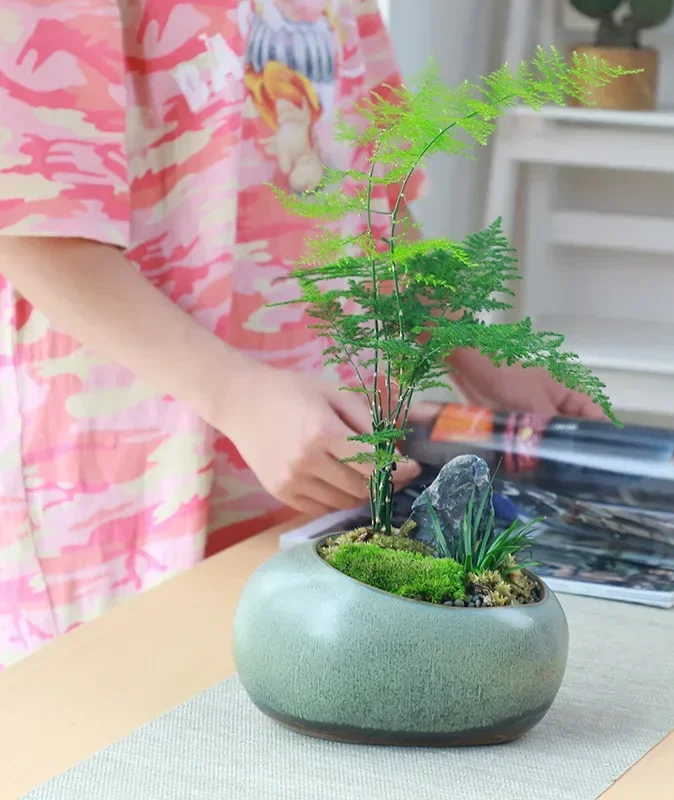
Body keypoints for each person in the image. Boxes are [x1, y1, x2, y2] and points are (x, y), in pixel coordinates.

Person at [0, 0, 604, 669]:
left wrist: (478, 358)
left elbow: (377, 203)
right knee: (140, 729)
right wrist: (238, 396)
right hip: (133, 480)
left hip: (320, 459)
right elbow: (32, 220)